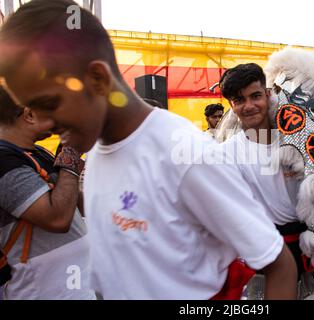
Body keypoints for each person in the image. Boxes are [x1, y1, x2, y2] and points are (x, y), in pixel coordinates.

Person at [0, 0, 297, 299]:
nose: (46, 125)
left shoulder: (186, 153)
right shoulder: (95, 156)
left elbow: (280, 266)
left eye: (49, 104)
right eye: (31, 109)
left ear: (98, 79)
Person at [218, 63, 314, 299]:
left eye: (255, 96)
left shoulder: (298, 140)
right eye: (239, 100)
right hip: (264, 257)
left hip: (311, 251)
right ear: (232, 105)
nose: (249, 106)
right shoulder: (225, 154)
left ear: (268, 94)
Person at [0, 85, 94, 299]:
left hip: (74, 289)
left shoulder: (38, 152)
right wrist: (70, 152)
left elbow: (72, 203)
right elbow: (57, 218)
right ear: (30, 114)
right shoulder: (4, 161)